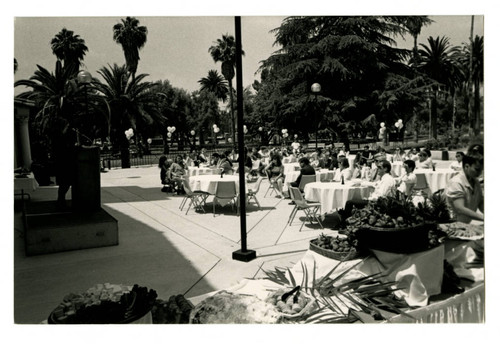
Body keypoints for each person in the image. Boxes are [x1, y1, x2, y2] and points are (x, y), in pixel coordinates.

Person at [445, 152, 484, 223]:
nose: (480, 173)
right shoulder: (456, 182)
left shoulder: (475, 181)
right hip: (453, 224)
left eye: (481, 170)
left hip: (465, 223)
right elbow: (460, 208)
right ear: (466, 166)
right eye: (477, 169)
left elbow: (480, 202)